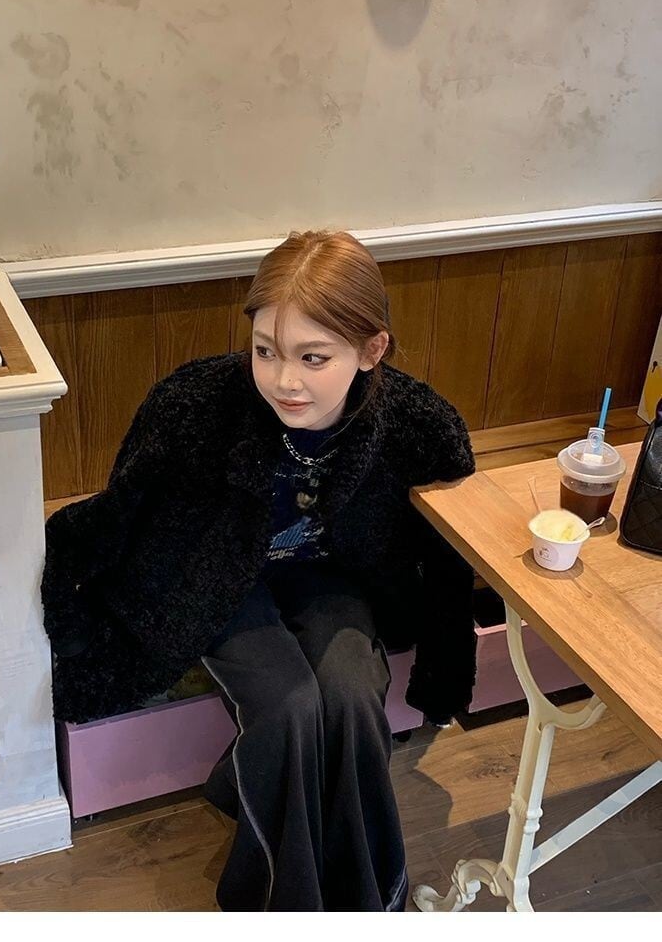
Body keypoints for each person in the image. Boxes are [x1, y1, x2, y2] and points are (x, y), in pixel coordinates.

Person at [40, 229, 477, 913]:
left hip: (332, 578)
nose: (284, 380)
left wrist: (446, 668)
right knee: (287, 705)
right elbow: (120, 515)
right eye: (265, 351)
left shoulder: (412, 421)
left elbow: (451, 544)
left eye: (313, 357)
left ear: (371, 351)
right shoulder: (194, 406)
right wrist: (75, 627)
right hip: (213, 579)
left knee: (352, 693)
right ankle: (281, 905)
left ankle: (369, 901)